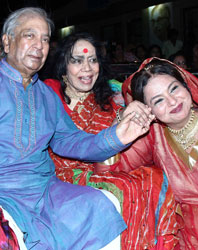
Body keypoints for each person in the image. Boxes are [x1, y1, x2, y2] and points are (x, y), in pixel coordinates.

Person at [0, 7, 154, 250]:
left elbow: (71, 141)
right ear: (7, 42)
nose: (39, 45)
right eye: (30, 35)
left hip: (44, 190)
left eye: (45, 39)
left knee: (100, 206)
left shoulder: (46, 96)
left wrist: (117, 136)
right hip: (5, 193)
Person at [44, 33, 180, 250]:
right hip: (58, 180)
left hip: (102, 172)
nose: (87, 68)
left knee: (152, 178)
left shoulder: (112, 98)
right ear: (63, 68)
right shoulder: (47, 96)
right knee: (121, 189)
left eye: (92, 59)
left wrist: (131, 114)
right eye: (77, 61)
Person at [116, 57, 198, 249]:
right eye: (159, 100)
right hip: (181, 238)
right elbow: (111, 171)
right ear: (148, 110)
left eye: (174, 89)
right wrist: (121, 123)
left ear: (186, 85)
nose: (172, 101)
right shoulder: (154, 135)